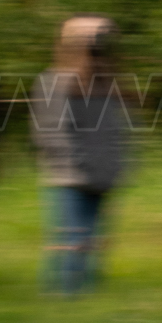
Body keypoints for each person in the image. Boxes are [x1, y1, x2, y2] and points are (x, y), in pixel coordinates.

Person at [31, 16, 128, 293]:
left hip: (102, 172)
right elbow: (50, 133)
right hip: (69, 176)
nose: (96, 47)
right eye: (90, 42)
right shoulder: (53, 80)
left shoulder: (104, 81)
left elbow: (115, 129)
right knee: (71, 236)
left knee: (92, 238)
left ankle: (83, 290)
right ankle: (65, 293)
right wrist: (81, 164)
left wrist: (116, 163)